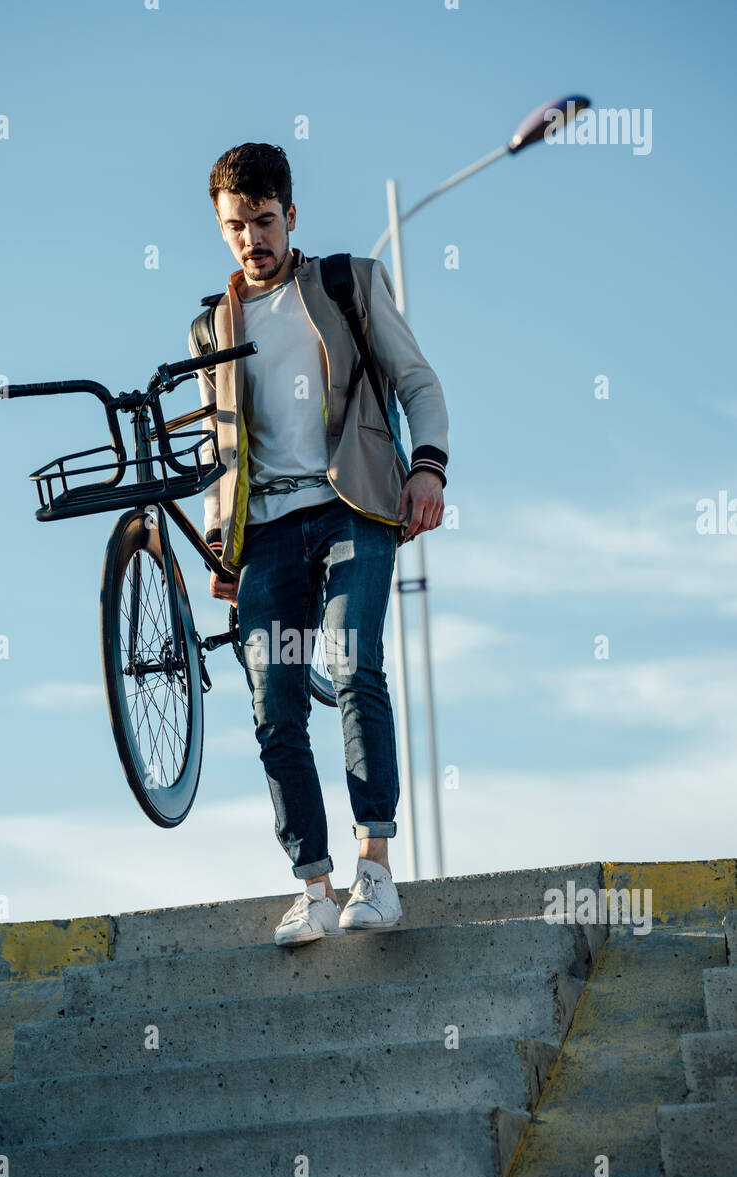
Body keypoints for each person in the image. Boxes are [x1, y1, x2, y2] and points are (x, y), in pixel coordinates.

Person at [188, 143, 449, 948]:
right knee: (273, 706)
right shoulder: (210, 328)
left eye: (263, 221)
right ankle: (315, 886)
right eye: (235, 226)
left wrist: (429, 469)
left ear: (289, 215)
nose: (250, 240)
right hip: (263, 529)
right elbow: (213, 448)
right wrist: (216, 546)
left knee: (352, 663)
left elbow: (418, 383)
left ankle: (375, 867)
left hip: (355, 508)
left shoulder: (347, 283)